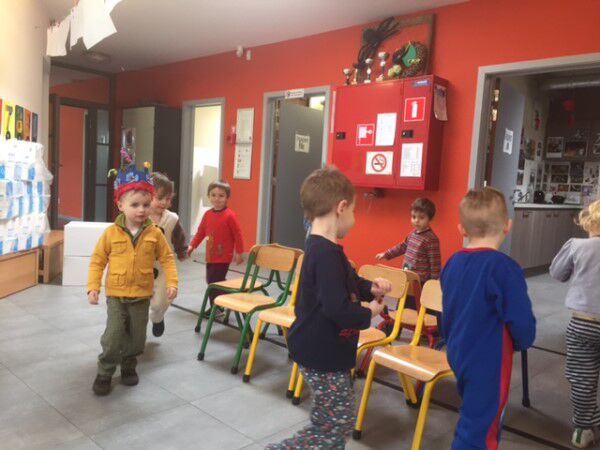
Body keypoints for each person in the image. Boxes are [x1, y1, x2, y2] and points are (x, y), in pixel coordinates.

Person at [266, 166, 391, 449]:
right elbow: (337, 308)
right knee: (333, 427)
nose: (354, 219)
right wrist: (370, 311)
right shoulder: (325, 253)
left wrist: (370, 288)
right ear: (341, 207)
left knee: (333, 421)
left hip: (323, 349)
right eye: (354, 211)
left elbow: (348, 281)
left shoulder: (324, 247)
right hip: (322, 352)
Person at [441, 187, 536, 450]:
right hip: (489, 362)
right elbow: (522, 320)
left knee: (473, 416)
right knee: (481, 431)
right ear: (507, 226)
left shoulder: (452, 263)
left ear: (461, 229)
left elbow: (447, 310)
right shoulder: (504, 268)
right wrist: (523, 341)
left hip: (458, 353)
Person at [88, 163, 178, 396]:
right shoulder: (110, 233)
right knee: (113, 335)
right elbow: (98, 260)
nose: (141, 210)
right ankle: (105, 371)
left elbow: (167, 258)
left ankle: (129, 365)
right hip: (116, 296)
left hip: (141, 295)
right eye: (135, 205)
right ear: (120, 205)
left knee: (137, 337)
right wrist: (93, 287)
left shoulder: (155, 233)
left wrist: (172, 283)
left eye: (146, 205)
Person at [550, 199, 600, 448]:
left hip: (583, 323)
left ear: (588, 222)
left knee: (581, 377)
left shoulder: (577, 246)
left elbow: (557, 273)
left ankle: (583, 429)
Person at [187, 180, 244, 314]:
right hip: (210, 255)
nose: (217, 199)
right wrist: (192, 245)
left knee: (214, 281)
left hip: (223, 256)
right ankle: (225, 300)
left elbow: (238, 235)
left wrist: (239, 252)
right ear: (208, 196)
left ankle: (217, 307)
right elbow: (200, 232)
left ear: (227, 197)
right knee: (212, 280)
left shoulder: (230, 215)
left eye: (221, 196)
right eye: (213, 195)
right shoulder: (207, 215)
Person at [148, 172, 188, 337]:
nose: (164, 202)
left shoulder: (172, 219)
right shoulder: (139, 216)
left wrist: (182, 251)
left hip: (163, 266)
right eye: (159, 198)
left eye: (168, 199)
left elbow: (179, 236)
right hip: (141, 266)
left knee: (162, 300)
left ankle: (157, 317)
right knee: (138, 300)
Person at [375, 197, 441, 283]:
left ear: (430, 219)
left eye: (421, 218)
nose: (416, 220)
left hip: (420, 280)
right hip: (406, 274)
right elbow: (402, 246)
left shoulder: (431, 239)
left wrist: (432, 283)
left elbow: (435, 264)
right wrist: (386, 254)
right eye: (414, 217)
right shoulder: (412, 233)